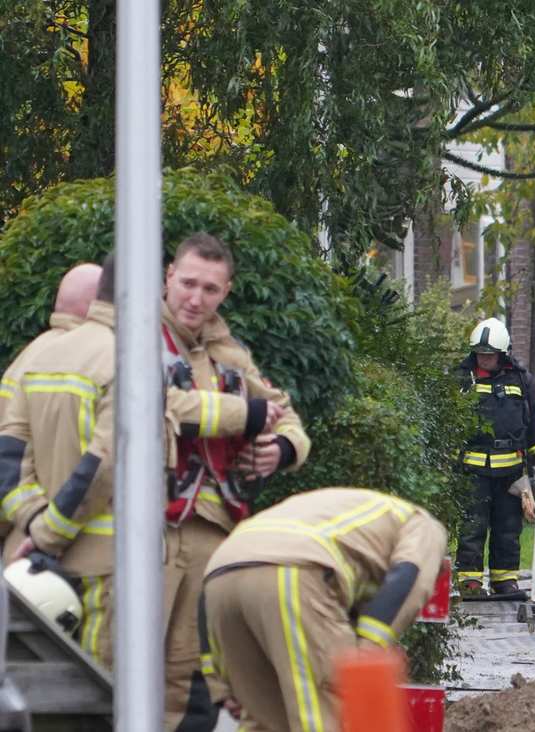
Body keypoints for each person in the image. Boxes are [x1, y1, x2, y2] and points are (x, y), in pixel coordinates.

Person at [0, 253, 270, 671]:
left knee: (39, 691)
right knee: (105, 695)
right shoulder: (132, 365)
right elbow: (104, 465)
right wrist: (51, 534)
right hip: (107, 568)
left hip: (33, 566)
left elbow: (11, 460)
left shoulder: (37, 358)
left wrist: (34, 524)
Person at [160, 232, 312, 730]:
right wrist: (245, 415)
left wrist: (281, 449)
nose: (195, 298)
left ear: (225, 292)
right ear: (168, 278)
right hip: (148, 528)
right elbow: (158, 406)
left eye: (209, 288)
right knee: (127, 662)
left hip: (213, 531)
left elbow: (284, 416)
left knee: (188, 675)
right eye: (187, 283)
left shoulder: (227, 352)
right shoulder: (138, 340)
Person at [199, 487, 447, 732]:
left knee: (265, 723)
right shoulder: (423, 525)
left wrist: (216, 679)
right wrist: (367, 648)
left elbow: (204, 608)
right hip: (293, 572)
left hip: (218, 575)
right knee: (326, 712)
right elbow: (410, 576)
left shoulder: (348, 516)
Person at [0, 263, 101, 560]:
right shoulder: (95, 361)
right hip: (77, 540)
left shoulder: (25, 360)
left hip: (18, 537)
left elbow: (8, 460)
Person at [454, 317, 535, 596]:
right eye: (480, 353)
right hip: (472, 470)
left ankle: (505, 580)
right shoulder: (461, 378)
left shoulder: (522, 380)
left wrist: (534, 473)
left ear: (502, 354)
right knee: (472, 526)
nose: (484, 358)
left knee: (507, 528)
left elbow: (534, 429)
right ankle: (470, 581)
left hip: (511, 472)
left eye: (489, 355)